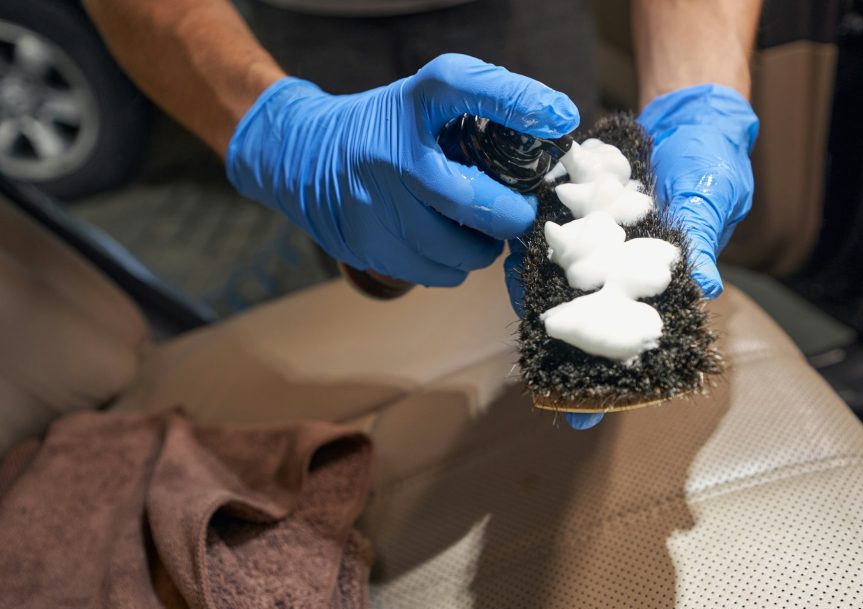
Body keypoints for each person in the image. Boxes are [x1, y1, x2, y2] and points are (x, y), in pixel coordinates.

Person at [82, 0, 761, 429]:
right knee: (375, 262)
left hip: (521, 14)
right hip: (303, 24)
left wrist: (697, 95)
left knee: (547, 196)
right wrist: (272, 129)